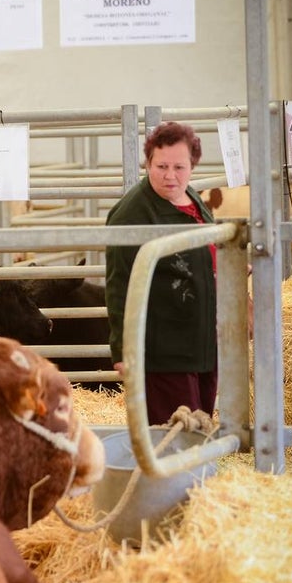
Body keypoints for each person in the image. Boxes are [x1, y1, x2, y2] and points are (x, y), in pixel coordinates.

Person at [105, 121, 217, 425]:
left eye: (179, 167)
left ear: (192, 165)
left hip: (201, 341)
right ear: (148, 163)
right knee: (175, 434)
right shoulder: (132, 214)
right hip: (164, 350)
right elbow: (119, 284)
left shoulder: (191, 197)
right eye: (161, 166)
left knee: (201, 427)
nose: (170, 176)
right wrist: (123, 350)